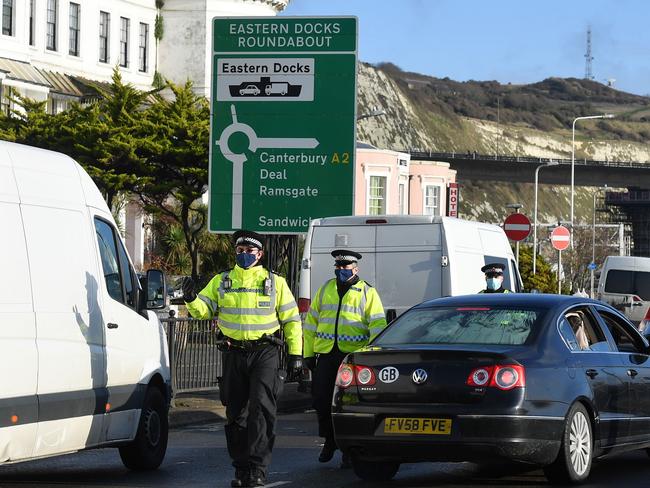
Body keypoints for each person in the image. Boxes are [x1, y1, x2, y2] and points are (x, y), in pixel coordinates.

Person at [182, 230, 303, 488]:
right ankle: (241, 467)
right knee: (235, 413)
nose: (244, 255)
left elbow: (292, 320)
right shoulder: (222, 280)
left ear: (260, 254)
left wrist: (296, 354)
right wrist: (191, 299)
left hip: (265, 352)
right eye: (240, 250)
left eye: (250, 251)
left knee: (261, 409)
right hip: (234, 352)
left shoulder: (275, 282)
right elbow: (204, 310)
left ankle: (258, 469)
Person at [303, 250, 387, 467]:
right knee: (321, 401)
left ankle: (350, 451)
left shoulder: (367, 292)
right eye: (338, 267)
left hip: (353, 359)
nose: (341, 270)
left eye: (346, 267)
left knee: (349, 406)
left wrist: (372, 356)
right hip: (327, 355)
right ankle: (330, 440)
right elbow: (311, 323)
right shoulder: (326, 289)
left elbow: (378, 325)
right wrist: (308, 354)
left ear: (355, 269)